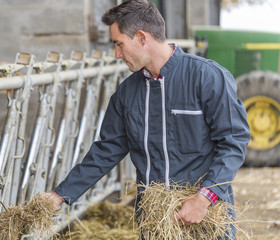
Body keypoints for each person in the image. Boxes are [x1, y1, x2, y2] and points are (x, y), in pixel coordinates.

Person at [47, 0, 250, 237]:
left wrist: (204, 198)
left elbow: (233, 142)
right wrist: (60, 195)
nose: (117, 54)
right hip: (154, 220)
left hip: (204, 216)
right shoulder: (126, 93)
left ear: (142, 38)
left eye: (119, 44)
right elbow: (106, 151)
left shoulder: (206, 77)